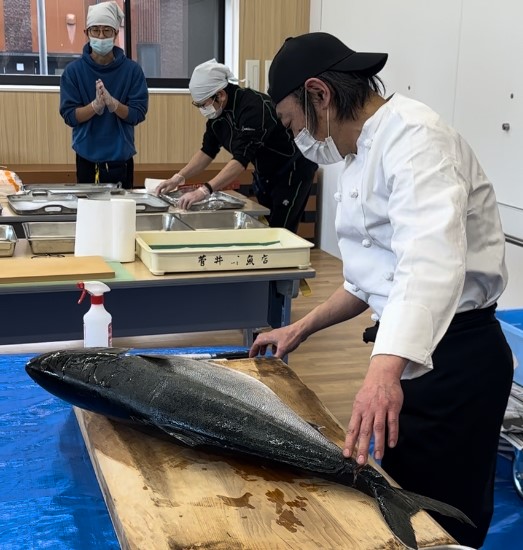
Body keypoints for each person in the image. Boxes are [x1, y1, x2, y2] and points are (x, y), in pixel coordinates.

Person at [249, 31, 513, 549]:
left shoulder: (416, 137)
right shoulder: (356, 156)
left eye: (292, 122)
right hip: (412, 351)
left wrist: (382, 369)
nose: (297, 136)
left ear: (318, 94)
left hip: (457, 357)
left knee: (444, 521)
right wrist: (300, 327)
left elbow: (429, 262)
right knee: (404, 502)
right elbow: (370, 281)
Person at [155, 59, 317, 233]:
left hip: (292, 171)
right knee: (266, 228)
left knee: (280, 232)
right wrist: (178, 178)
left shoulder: (254, 108)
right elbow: (207, 151)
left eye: (203, 104)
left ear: (221, 95)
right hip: (265, 173)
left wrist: (204, 191)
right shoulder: (217, 115)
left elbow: (240, 160)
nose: (202, 109)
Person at [59, 1, 148, 189]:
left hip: (121, 159)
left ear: (116, 33)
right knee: (90, 214)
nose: (101, 36)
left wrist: (114, 105)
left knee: (121, 215)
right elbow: (69, 116)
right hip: (87, 158)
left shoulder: (132, 71)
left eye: (107, 30)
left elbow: (137, 114)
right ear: (86, 33)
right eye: (95, 30)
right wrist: (94, 107)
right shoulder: (73, 72)